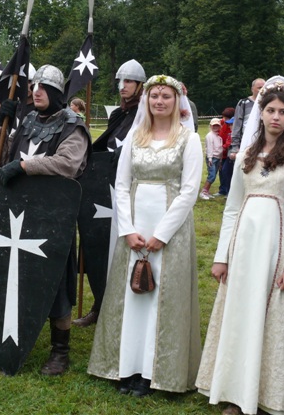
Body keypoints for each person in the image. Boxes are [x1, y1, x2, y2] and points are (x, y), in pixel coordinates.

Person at [88, 74, 202, 397]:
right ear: (146, 100)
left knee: (160, 298)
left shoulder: (189, 139)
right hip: (135, 229)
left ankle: (155, 372)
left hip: (170, 230)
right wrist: (127, 229)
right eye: (154, 96)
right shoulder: (135, 137)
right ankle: (128, 366)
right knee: (133, 298)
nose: (159, 101)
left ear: (176, 101)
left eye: (166, 96)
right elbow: (122, 185)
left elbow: (189, 191)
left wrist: (162, 235)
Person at [196, 76, 284, 415]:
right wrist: (221, 256)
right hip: (243, 243)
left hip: (278, 244)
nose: (276, 117)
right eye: (270, 110)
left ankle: (268, 395)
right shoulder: (245, 154)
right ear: (261, 112)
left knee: (272, 315)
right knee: (240, 314)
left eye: (283, 111)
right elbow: (231, 209)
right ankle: (234, 391)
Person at [0, 64, 91, 376]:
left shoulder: (73, 125)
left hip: (54, 215)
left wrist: (26, 166)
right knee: (18, 275)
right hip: (19, 212)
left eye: (43, 87)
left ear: (56, 92)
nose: (36, 92)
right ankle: (14, 334)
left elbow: (67, 164)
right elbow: (2, 156)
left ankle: (60, 351)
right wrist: (1, 124)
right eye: (34, 86)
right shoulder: (27, 121)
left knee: (57, 283)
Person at [73, 59, 146, 328]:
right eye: (120, 81)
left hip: (133, 190)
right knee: (100, 248)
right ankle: (100, 304)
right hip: (106, 189)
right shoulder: (118, 115)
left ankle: (128, 309)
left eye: (128, 81)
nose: (122, 86)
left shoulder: (146, 114)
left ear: (140, 85)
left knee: (127, 250)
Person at [229, 78, 266, 160]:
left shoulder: (268, 104)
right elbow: (237, 126)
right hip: (246, 144)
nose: (262, 90)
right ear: (252, 89)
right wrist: (235, 147)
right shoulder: (243, 103)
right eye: (259, 88)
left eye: (264, 88)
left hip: (264, 145)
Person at [200, 118, 223, 200]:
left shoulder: (219, 136)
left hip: (218, 157)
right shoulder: (210, 136)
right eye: (214, 126)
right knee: (212, 175)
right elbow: (209, 148)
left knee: (214, 175)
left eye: (217, 125)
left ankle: (207, 191)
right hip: (212, 158)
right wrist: (210, 158)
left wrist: (220, 159)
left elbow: (220, 148)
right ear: (210, 126)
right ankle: (203, 191)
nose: (215, 127)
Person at [216, 107, 236, 197]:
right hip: (223, 153)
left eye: (226, 118)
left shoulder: (233, 129)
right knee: (222, 171)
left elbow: (230, 141)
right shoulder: (224, 123)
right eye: (224, 117)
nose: (224, 119)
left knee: (227, 171)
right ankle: (223, 190)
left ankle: (229, 191)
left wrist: (223, 147)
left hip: (229, 153)